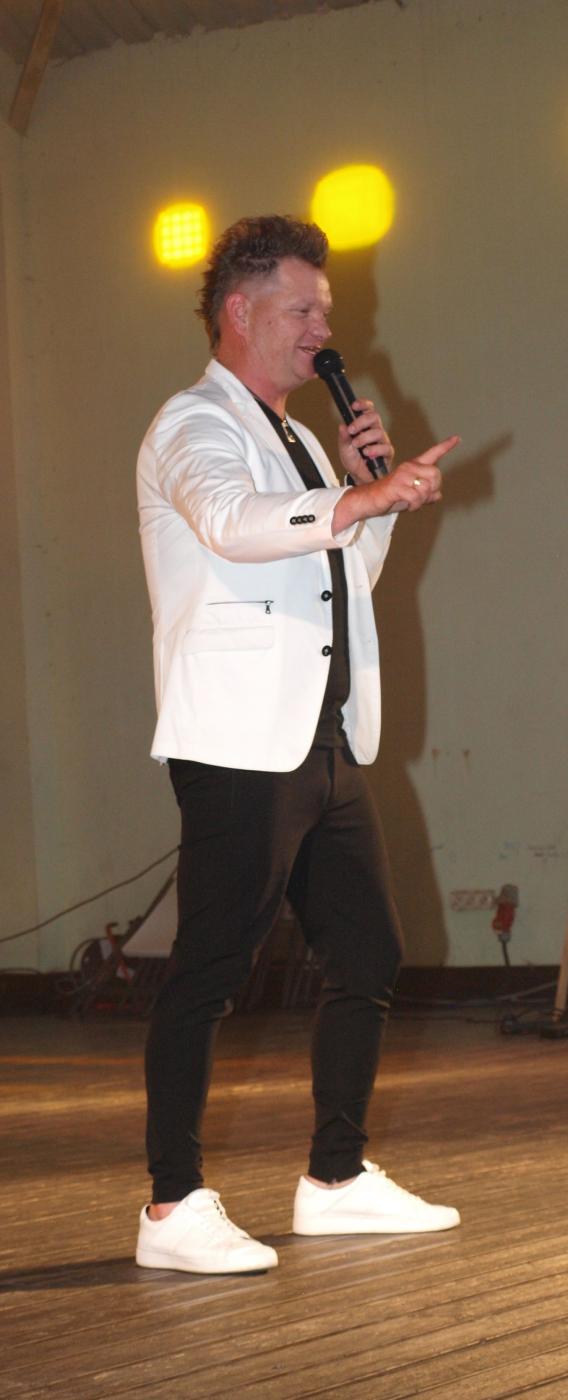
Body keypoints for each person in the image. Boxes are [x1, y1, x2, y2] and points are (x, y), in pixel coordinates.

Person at [135, 215, 460, 1276]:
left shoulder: (302, 440)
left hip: (322, 740)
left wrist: (378, 503)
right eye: (304, 309)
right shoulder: (192, 423)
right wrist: (354, 497)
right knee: (211, 969)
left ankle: (336, 1181)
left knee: (367, 952)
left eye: (327, 309)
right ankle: (171, 1203)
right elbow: (232, 523)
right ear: (240, 312)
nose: (327, 327)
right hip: (238, 742)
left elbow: (342, 578)